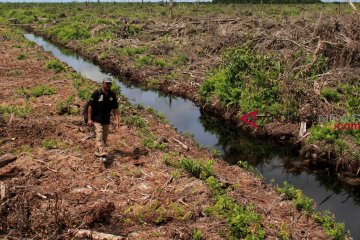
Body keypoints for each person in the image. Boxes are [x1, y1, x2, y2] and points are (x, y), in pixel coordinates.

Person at [87, 77, 120, 159]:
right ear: (103, 83)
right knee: (99, 134)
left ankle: (97, 152)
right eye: (106, 83)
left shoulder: (112, 95)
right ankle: (102, 152)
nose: (108, 85)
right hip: (96, 119)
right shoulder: (96, 93)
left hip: (106, 120)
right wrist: (89, 119)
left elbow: (115, 109)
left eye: (109, 83)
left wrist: (117, 120)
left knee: (104, 138)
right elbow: (90, 107)